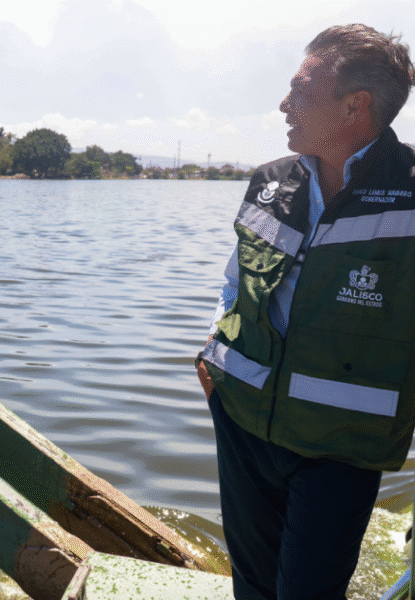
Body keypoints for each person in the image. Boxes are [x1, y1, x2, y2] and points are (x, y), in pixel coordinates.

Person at [196, 24, 415, 599]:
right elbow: (235, 281)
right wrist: (213, 351)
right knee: (252, 589)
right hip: (242, 419)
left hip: (341, 443)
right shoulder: (270, 181)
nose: (283, 104)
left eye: (300, 89)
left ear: (354, 107)